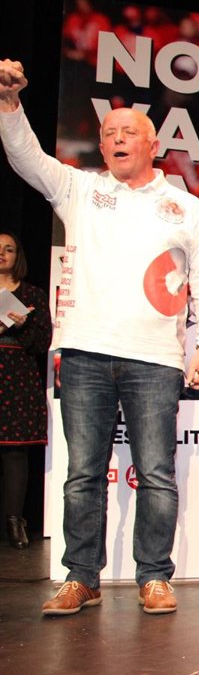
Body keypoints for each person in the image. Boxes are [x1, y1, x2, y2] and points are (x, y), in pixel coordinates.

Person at [0, 58, 199, 615]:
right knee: (83, 475)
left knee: (156, 474)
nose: (117, 139)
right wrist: (8, 104)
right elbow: (25, 156)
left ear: (153, 145)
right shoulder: (78, 189)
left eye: (128, 132)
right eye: (109, 133)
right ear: (101, 146)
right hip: (84, 354)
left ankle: (155, 577)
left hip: (155, 358)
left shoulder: (185, 207)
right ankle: (82, 577)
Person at [0, 231, 52, 549]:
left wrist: (22, 327)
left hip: (16, 376)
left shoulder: (32, 295)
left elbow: (43, 342)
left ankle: (14, 521)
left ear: (17, 256)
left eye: (9, 249)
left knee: (15, 451)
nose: (2, 253)